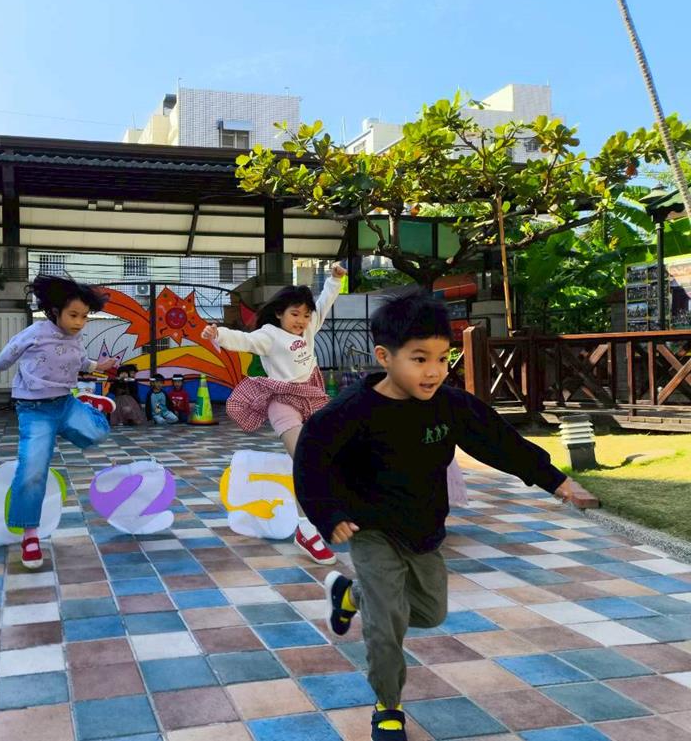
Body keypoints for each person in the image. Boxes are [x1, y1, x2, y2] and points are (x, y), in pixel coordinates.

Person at [294, 291, 577, 741]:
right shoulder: (351, 411)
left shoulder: (449, 405)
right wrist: (328, 514)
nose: (433, 371)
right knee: (387, 623)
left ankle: (350, 596)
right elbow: (311, 459)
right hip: (370, 528)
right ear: (385, 357)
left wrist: (555, 481)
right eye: (420, 359)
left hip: (422, 530)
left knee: (429, 612)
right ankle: (388, 707)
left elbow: (499, 442)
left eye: (443, 359)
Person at [201, 262, 346, 564]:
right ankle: (306, 531)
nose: (301, 320)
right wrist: (218, 334)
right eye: (295, 314)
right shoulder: (269, 334)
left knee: (328, 457)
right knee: (305, 459)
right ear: (279, 313)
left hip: (311, 397)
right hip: (282, 401)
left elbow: (324, 303)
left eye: (305, 315)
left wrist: (334, 280)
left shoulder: (309, 327)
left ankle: (331, 513)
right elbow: (245, 340)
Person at [0, 274, 117, 569]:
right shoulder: (36, 332)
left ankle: (88, 407)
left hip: (65, 403)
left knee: (98, 433)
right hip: (35, 410)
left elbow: (80, 362)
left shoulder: (75, 338)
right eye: (74, 315)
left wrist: (99, 366)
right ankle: (30, 534)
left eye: (84, 316)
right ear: (56, 311)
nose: (80, 322)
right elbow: (11, 350)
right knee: (33, 469)